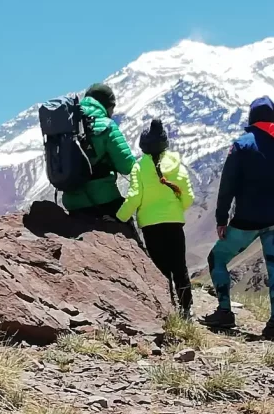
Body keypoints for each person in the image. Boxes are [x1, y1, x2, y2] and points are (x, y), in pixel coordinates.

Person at [200, 96, 274, 341]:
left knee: (217, 258)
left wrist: (221, 219)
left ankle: (224, 311)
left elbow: (227, 186)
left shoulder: (242, 146)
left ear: (252, 117)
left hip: (247, 219)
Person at [116, 119, 195, 318]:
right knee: (179, 267)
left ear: (143, 146)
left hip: (151, 226)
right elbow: (189, 197)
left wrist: (120, 217)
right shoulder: (177, 165)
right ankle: (186, 309)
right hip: (174, 223)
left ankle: (166, 309)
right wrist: (176, 210)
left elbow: (134, 197)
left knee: (160, 269)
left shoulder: (139, 168)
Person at [63, 83, 136, 220]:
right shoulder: (106, 125)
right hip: (103, 199)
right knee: (126, 220)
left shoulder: (66, 125)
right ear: (107, 105)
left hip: (72, 202)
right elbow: (127, 166)